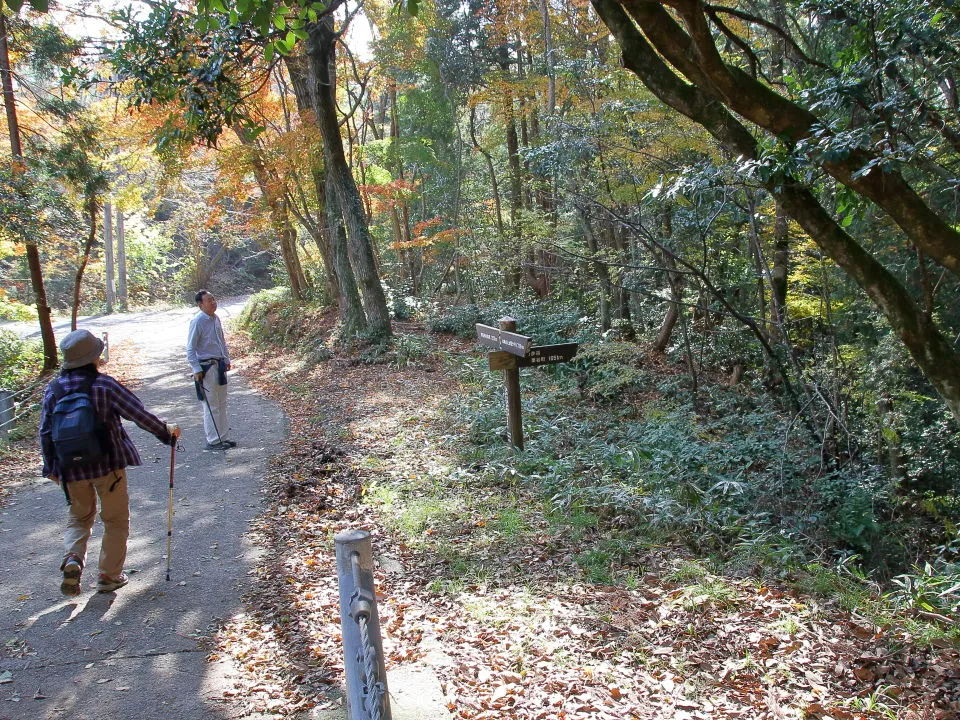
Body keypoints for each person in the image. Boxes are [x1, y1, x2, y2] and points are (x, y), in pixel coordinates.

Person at [39, 329, 181, 596]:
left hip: (71, 470)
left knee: (79, 518)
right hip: (108, 466)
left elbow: (45, 431)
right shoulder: (104, 385)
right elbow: (138, 414)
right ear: (94, 357)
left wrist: (51, 468)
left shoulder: (54, 390)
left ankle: (73, 559)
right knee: (115, 520)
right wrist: (166, 433)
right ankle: (108, 575)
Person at [186, 290, 236, 450]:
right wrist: (196, 368)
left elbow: (221, 341)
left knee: (222, 402)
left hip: (219, 364)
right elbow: (190, 349)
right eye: (209, 300)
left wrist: (226, 359)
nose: (213, 302)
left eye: (214, 299)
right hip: (206, 367)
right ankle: (213, 440)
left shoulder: (216, 319)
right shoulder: (197, 321)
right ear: (201, 304)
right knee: (211, 404)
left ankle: (223, 437)